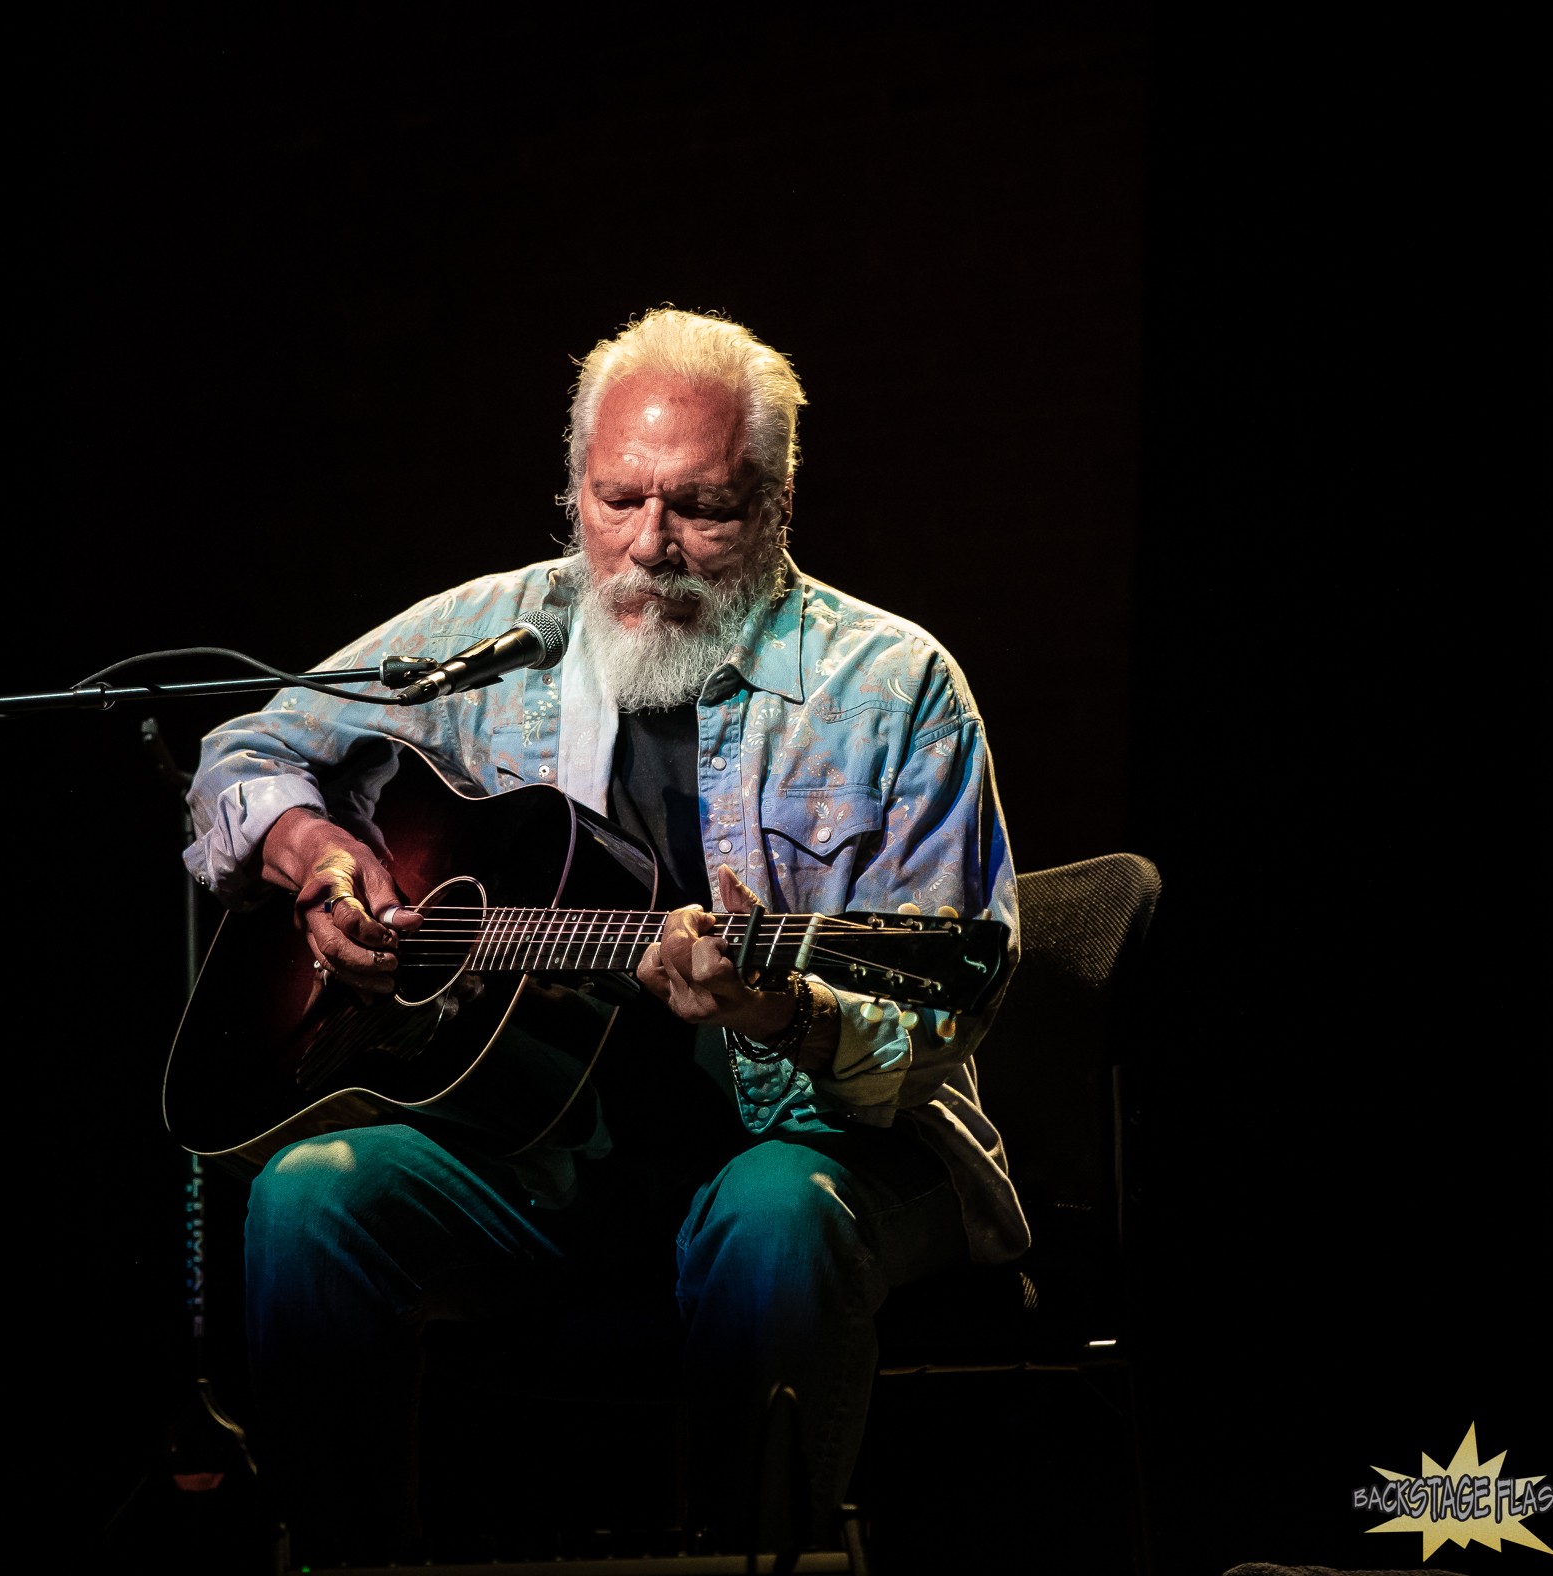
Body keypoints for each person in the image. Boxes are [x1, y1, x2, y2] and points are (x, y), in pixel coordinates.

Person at [184, 308, 1025, 1558]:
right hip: (532, 1152)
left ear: (781, 499)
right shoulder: (490, 642)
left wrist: (784, 1009)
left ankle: (761, 1558)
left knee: (774, 1215)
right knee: (311, 1199)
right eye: (615, 499)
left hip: (810, 1143)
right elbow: (240, 749)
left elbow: (939, 1010)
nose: (647, 548)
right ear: (573, 488)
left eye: (702, 508)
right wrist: (306, 852)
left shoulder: (892, 690)